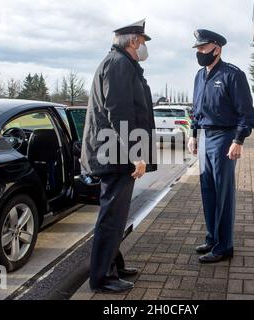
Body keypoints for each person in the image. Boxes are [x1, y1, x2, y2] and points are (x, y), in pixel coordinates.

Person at [80, 19, 157, 293]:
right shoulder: (118, 64)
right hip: (114, 154)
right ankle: (102, 278)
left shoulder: (123, 64)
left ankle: (114, 264)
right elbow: (119, 112)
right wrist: (136, 153)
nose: (145, 47)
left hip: (116, 152)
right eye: (144, 42)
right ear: (134, 40)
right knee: (111, 217)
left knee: (116, 215)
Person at [188, 29, 254, 263]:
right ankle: (212, 237)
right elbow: (195, 111)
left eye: (203, 48)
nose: (199, 52)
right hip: (205, 137)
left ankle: (224, 246)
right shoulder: (199, 76)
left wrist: (238, 140)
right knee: (207, 190)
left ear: (217, 48)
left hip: (225, 138)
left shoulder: (233, 75)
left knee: (223, 192)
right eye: (197, 48)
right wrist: (193, 135)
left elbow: (247, 113)